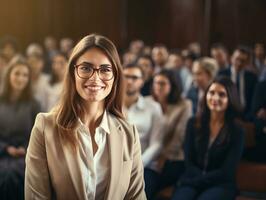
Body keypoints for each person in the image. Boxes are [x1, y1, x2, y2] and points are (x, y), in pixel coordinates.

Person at [25, 34, 146, 200]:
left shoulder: (128, 133)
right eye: (86, 68)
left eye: (105, 69)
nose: (95, 78)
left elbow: (136, 197)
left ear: (115, 76)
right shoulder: (45, 126)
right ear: (73, 72)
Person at [171, 76, 244, 200]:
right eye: (211, 93)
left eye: (222, 95)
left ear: (230, 99)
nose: (215, 98)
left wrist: (199, 180)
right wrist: (196, 179)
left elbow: (227, 170)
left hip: (221, 184)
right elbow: (189, 161)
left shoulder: (237, 130)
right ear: (205, 95)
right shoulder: (193, 123)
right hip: (192, 179)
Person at [144, 69, 192, 199]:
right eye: (155, 83)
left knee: (147, 183)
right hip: (147, 154)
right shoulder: (146, 102)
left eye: (162, 84)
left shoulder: (184, 105)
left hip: (171, 158)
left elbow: (179, 136)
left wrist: (162, 157)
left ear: (173, 85)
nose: (157, 87)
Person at [0, 56, 40, 200]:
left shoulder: (34, 104)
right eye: (17, 73)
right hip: (2, 152)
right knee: (5, 174)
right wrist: (6, 148)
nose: (21, 78)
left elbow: (38, 135)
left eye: (25, 75)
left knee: (17, 174)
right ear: (9, 74)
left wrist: (25, 148)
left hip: (26, 153)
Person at [123, 64, 164, 169]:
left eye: (134, 78)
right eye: (126, 76)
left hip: (143, 165)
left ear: (142, 81)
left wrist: (139, 163)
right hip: (113, 165)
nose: (129, 81)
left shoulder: (153, 107)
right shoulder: (108, 106)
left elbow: (157, 143)